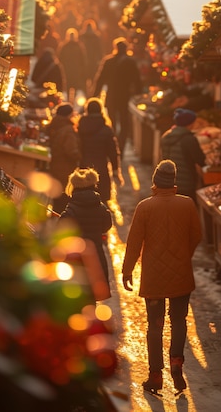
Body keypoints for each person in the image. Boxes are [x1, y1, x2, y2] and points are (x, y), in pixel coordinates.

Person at [122, 159, 202, 397]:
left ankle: (155, 375)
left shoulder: (144, 207)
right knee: (178, 320)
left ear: (155, 181)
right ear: (174, 182)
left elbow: (134, 242)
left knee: (155, 325)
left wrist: (127, 270)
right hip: (181, 276)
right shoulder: (187, 204)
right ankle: (176, 360)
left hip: (154, 278)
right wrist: (183, 256)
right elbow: (196, 235)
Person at [58, 167, 113, 295]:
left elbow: (61, 231)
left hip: (76, 260)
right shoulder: (101, 208)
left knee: (77, 296)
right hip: (96, 257)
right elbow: (106, 226)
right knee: (92, 297)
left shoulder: (70, 210)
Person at [92, 37, 143, 154]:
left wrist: (95, 95)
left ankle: (112, 145)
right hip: (125, 97)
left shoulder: (108, 61)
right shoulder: (130, 62)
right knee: (124, 123)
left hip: (111, 97)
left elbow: (100, 79)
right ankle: (121, 147)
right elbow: (137, 81)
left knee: (112, 122)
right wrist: (138, 95)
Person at [77, 97, 124, 206]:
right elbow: (113, 152)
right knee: (101, 202)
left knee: (84, 201)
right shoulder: (106, 130)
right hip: (101, 170)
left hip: (83, 169)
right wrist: (116, 170)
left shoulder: (80, 127)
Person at [160, 108, 206, 202]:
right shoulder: (189, 139)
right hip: (186, 183)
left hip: (168, 181)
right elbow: (200, 159)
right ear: (189, 123)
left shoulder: (167, 136)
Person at [46, 102, 81, 214]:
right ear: (69, 115)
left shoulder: (53, 125)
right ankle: (61, 221)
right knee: (64, 197)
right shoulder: (68, 129)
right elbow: (71, 150)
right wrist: (80, 157)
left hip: (54, 166)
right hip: (65, 168)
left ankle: (55, 217)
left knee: (56, 196)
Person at [58, 27, 88, 99]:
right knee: (73, 86)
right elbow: (83, 60)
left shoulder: (65, 46)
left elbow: (59, 59)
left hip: (69, 70)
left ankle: (70, 101)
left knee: (70, 86)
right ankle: (71, 101)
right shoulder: (78, 46)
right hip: (74, 71)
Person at [79, 18, 104, 94]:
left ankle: (86, 93)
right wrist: (100, 59)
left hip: (84, 62)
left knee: (84, 78)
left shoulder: (82, 36)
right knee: (93, 78)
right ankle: (93, 93)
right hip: (93, 61)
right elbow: (99, 50)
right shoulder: (96, 37)